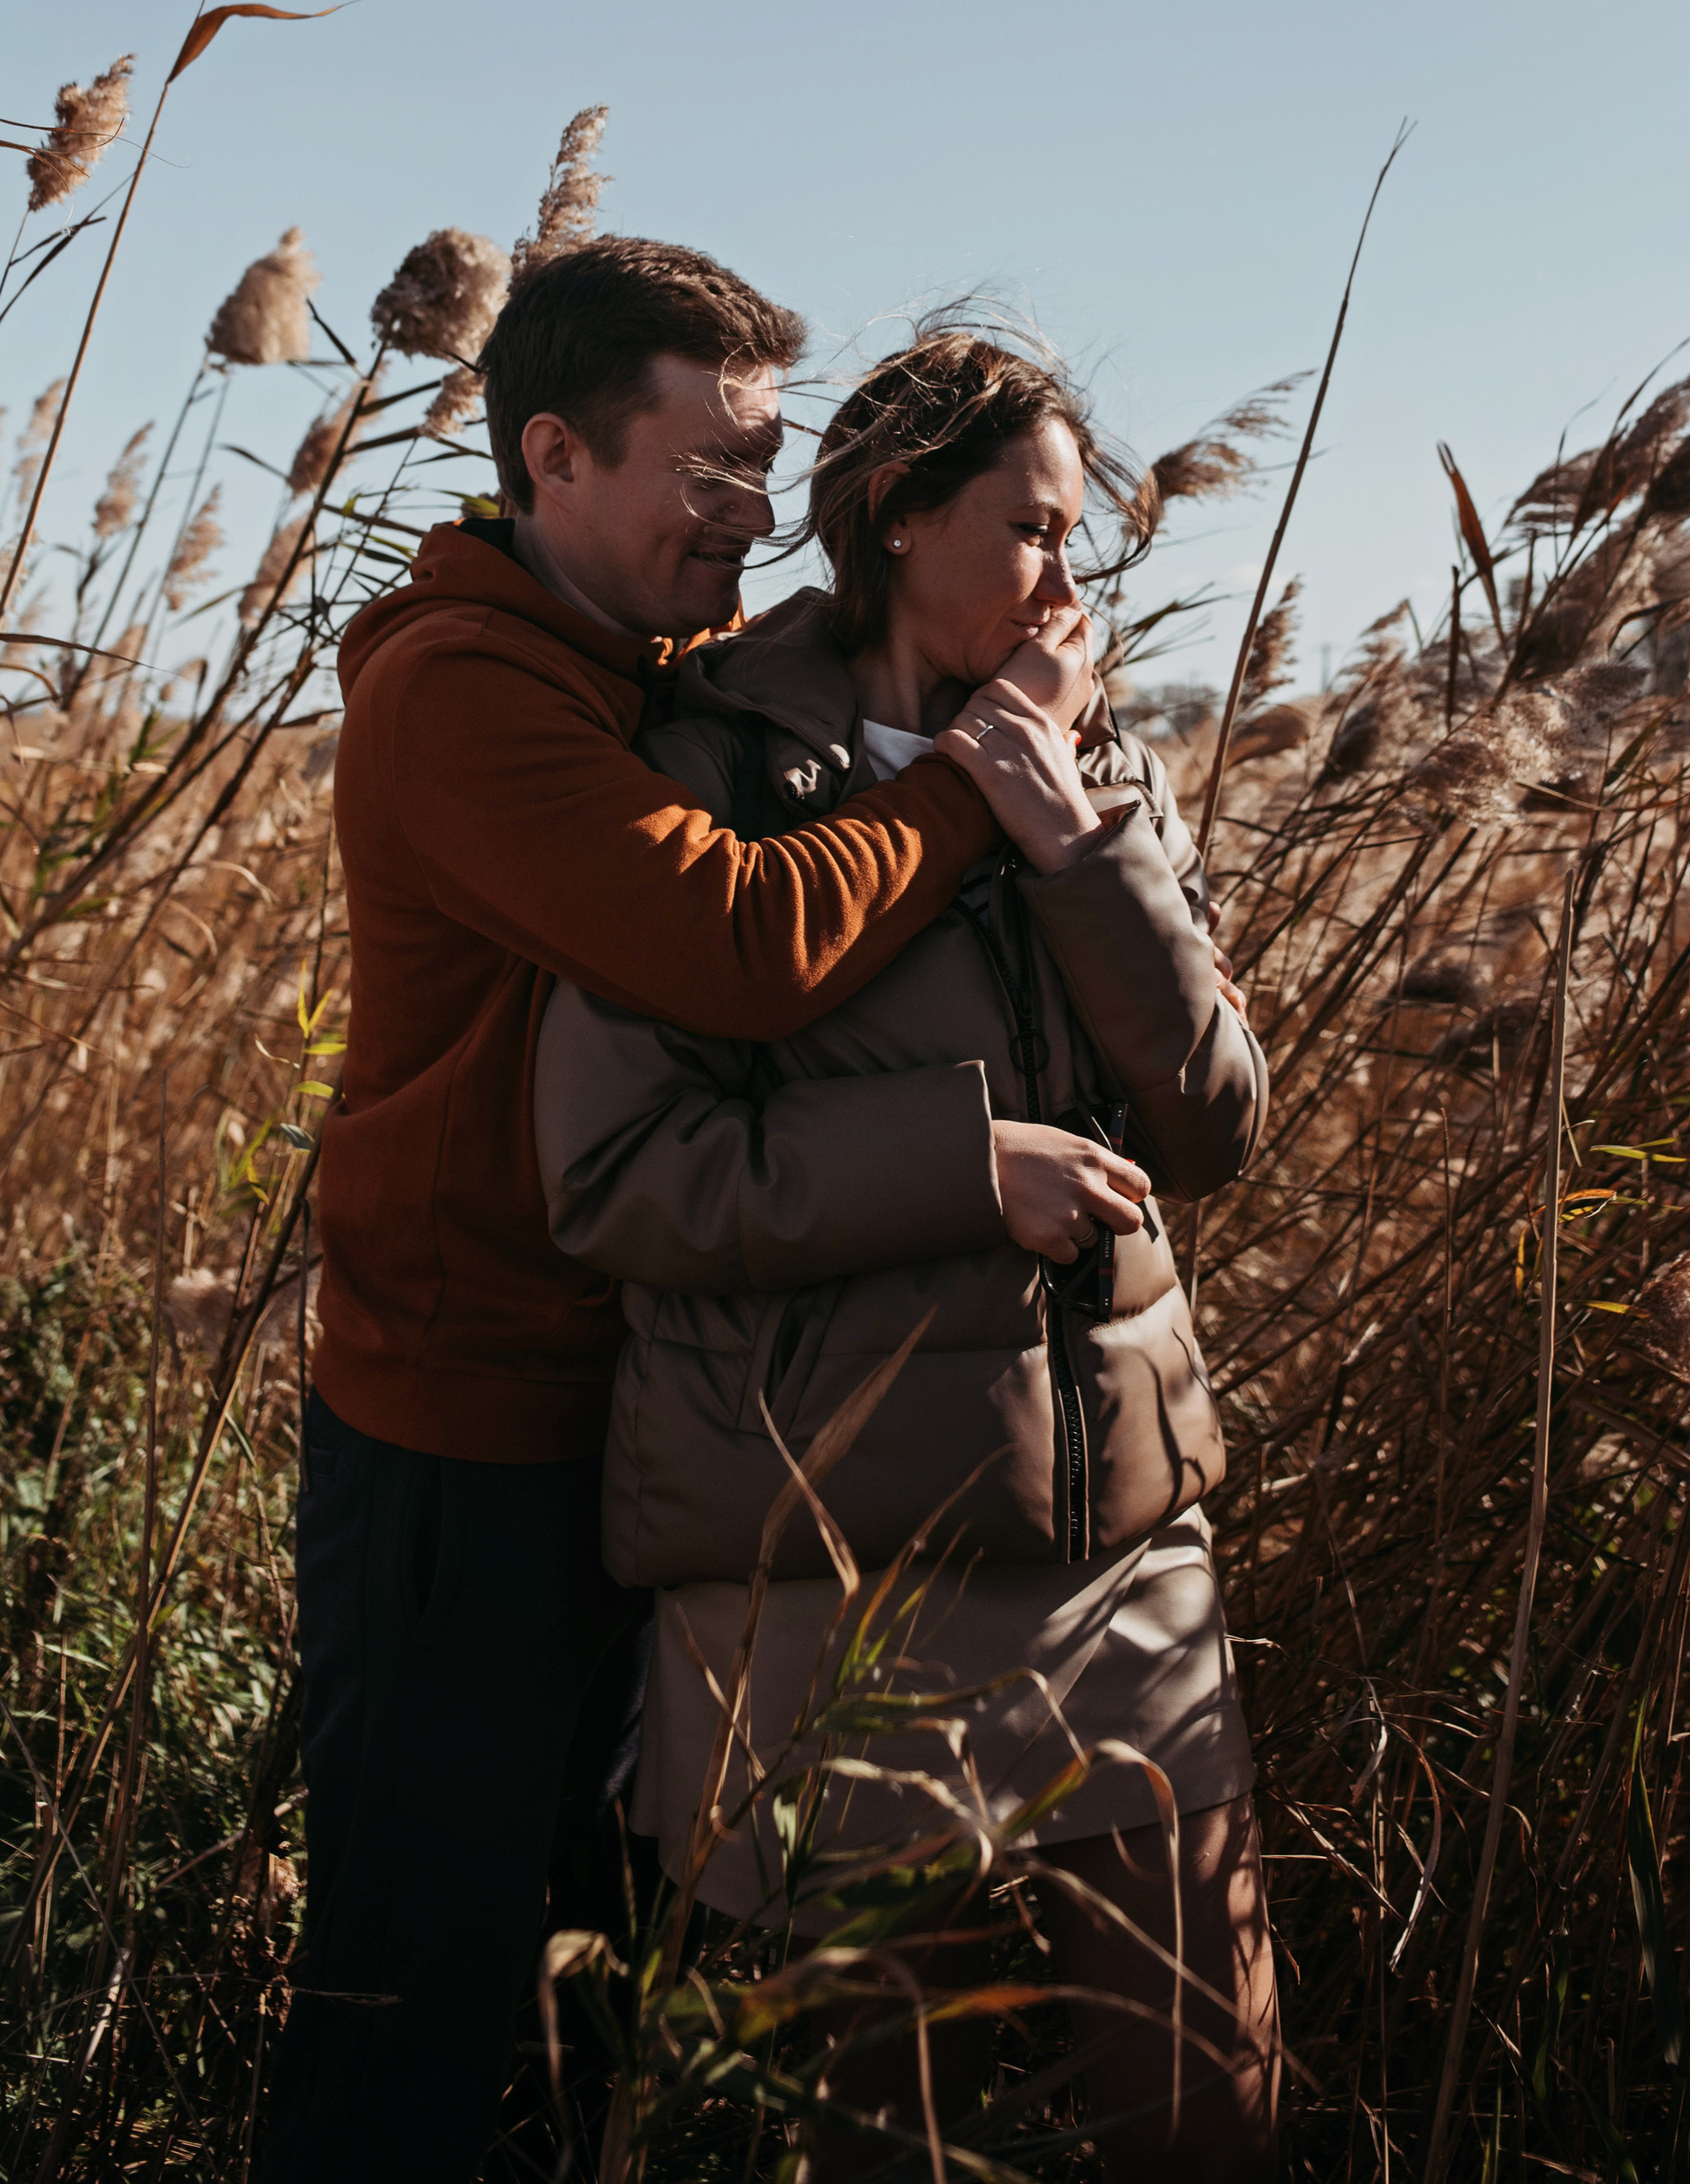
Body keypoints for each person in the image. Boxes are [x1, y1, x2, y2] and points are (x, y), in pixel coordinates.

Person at [260, 244, 1095, 2184]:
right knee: (410, 1989)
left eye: (769, 467)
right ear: (552, 455)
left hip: (651, 1417)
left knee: (590, 1985)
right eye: (706, 470)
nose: (749, 513)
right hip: (460, 1431)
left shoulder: (660, 681)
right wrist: (983, 771)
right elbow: (738, 942)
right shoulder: (468, 695)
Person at [534, 325, 1281, 2180]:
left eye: (1076, 540)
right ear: (891, 517)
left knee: (1213, 2111)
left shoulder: (1094, 762)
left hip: (1113, 1559)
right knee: (880, 2143)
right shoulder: (698, 765)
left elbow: (1210, 1119)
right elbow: (623, 1172)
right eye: (1029, 531)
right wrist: (963, 1165)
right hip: (818, 1584)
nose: (1066, 581)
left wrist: (1069, 848)